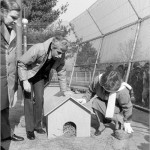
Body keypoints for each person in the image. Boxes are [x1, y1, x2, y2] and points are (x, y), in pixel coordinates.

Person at [17, 36, 70, 140]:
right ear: (52, 47)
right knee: (28, 101)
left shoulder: (61, 56)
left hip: (40, 77)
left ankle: (37, 126)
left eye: (62, 53)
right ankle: (30, 130)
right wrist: (24, 81)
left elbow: (62, 72)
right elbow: (21, 63)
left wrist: (64, 91)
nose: (60, 56)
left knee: (40, 100)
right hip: (27, 75)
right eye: (59, 52)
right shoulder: (38, 48)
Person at [76, 70, 134, 137]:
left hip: (116, 108)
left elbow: (128, 107)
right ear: (102, 85)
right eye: (108, 90)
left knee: (119, 132)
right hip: (103, 103)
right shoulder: (97, 80)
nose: (108, 92)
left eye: (112, 91)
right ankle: (101, 124)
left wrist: (127, 122)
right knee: (95, 102)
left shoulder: (123, 92)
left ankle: (118, 123)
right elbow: (91, 90)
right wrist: (85, 99)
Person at [0, 0, 24, 145]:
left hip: (7, 76)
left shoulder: (12, 30)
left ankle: (6, 134)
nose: (15, 21)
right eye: (13, 17)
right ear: (3, 12)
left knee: (4, 108)